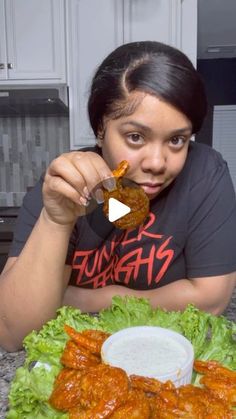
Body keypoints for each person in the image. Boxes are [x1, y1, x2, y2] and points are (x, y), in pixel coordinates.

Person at [0, 41, 236, 351]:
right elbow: (12, 334)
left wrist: (86, 297)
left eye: (177, 140)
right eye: (135, 137)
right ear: (100, 129)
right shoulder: (65, 186)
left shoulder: (205, 173)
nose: (156, 162)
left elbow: (211, 299)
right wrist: (56, 220)